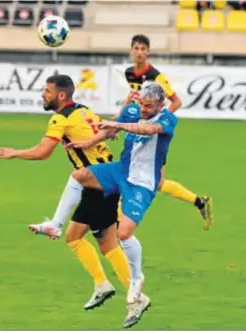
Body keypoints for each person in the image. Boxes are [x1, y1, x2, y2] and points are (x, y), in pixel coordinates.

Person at [0, 74, 135, 320]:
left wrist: (15, 153)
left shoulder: (61, 118)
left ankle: (132, 293)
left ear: (61, 95)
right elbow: (107, 132)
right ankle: (105, 285)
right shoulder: (84, 111)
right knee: (82, 239)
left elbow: (43, 152)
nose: (42, 94)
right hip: (105, 180)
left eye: (47, 90)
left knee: (97, 239)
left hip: (98, 183)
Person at [66, 82, 176, 328]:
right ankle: (107, 284)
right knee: (85, 228)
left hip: (136, 183)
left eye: (149, 106)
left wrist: (117, 125)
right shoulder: (132, 110)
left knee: (119, 235)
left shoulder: (167, 120)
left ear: (160, 105)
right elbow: (108, 130)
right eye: (142, 104)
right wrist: (89, 141)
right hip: (115, 175)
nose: (143, 108)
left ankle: (132, 282)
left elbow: (148, 130)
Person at [122, 34, 213, 230]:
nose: (139, 53)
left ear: (148, 52)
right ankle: (199, 202)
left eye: (143, 49)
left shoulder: (156, 77)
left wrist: (158, 121)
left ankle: (120, 219)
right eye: (136, 49)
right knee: (149, 179)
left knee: (153, 180)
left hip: (154, 136)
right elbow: (132, 95)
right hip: (141, 131)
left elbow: (177, 102)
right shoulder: (130, 72)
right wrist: (120, 115)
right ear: (131, 50)